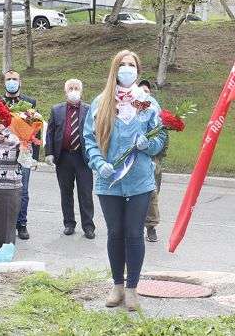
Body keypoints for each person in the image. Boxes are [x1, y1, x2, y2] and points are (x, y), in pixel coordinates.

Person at [83, 50, 166, 311]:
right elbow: (89, 140)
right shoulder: (101, 102)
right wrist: (99, 163)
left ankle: (132, 289)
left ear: (138, 71)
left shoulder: (149, 103)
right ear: (114, 69)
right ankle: (117, 285)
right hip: (109, 181)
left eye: (131, 65)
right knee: (115, 233)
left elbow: (161, 139)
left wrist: (148, 144)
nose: (126, 69)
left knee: (133, 233)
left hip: (140, 180)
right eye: (122, 65)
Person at [45, 79, 95, 239]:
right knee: (66, 192)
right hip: (64, 156)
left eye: (76, 88)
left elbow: (97, 132)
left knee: (85, 193)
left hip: (83, 157)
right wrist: (49, 153)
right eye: (70, 88)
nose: (73, 91)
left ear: (81, 91)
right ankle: (69, 223)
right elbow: (50, 132)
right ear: (65, 91)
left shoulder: (89, 110)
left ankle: (88, 226)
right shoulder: (56, 109)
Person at [1, 70, 37, 241]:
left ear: (20, 81)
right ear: (4, 82)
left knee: (23, 190)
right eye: (9, 79)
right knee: (3, 189)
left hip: (24, 151)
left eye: (14, 79)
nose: (12, 82)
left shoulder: (30, 102)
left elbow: (35, 128)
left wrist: (34, 156)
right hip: (2, 152)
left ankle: (21, 224)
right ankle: (4, 224)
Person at [137, 80, 167, 243]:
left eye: (147, 91)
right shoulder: (133, 113)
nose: (145, 93)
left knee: (152, 193)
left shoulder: (155, 114)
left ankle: (151, 227)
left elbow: (162, 139)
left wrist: (154, 152)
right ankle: (136, 226)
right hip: (136, 159)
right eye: (142, 90)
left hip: (153, 160)